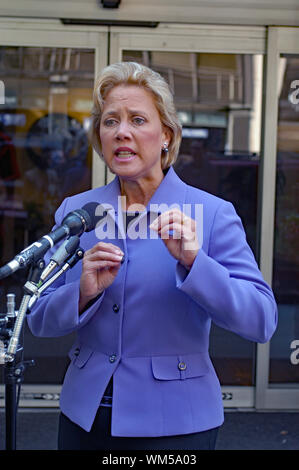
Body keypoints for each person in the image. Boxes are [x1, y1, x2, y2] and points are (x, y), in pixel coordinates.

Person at [27, 62, 278, 450]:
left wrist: (197, 264)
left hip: (178, 422)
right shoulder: (77, 211)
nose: (121, 132)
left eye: (137, 119)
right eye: (110, 121)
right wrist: (82, 294)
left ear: (166, 135)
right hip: (86, 416)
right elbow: (39, 318)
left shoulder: (211, 213)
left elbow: (261, 321)